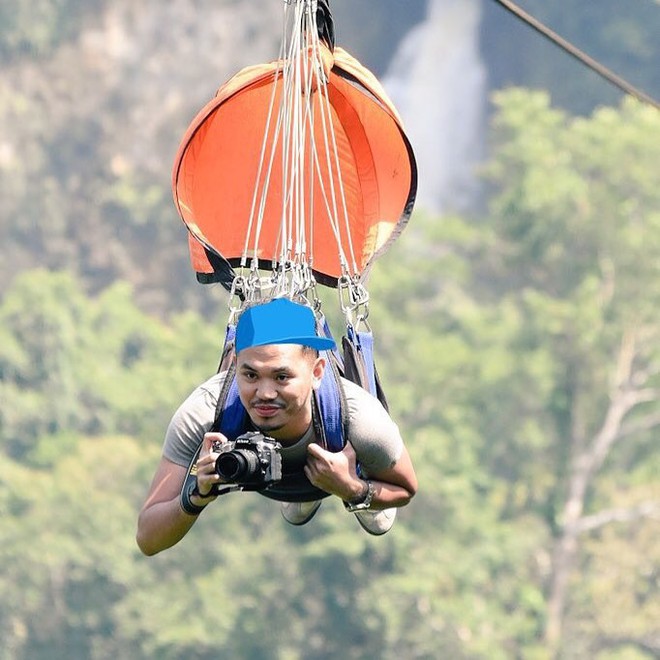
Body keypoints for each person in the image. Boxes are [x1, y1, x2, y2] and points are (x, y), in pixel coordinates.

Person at [136, 298, 417, 556]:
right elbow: (148, 539)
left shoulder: (359, 417)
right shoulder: (205, 414)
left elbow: (405, 489)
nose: (265, 393)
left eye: (282, 377)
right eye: (250, 375)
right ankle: (303, 495)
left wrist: (353, 489)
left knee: (379, 519)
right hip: (289, 474)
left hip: (341, 467)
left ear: (316, 372)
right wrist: (196, 495)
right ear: (235, 366)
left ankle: (345, 493)